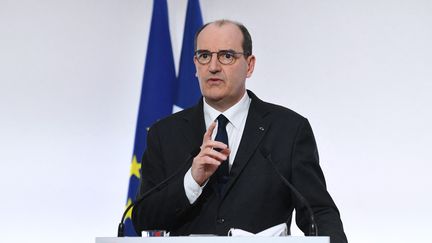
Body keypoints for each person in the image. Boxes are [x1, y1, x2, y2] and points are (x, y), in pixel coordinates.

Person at [132, 19, 347, 243]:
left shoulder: (288, 130)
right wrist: (192, 181)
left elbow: (319, 213)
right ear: (195, 64)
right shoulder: (164, 134)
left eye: (226, 56)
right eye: (205, 56)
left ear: (250, 65)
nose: (213, 66)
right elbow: (143, 219)